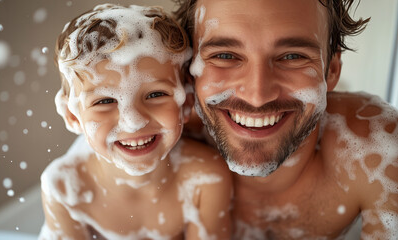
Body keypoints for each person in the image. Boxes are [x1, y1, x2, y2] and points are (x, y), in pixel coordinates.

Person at [173, 0, 398, 239]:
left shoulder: (378, 151)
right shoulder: (161, 143)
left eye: (292, 56)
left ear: (331, 70)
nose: (257, 96)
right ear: (189, 70)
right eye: (225, 55)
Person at [38, 4, 233, 240]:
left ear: (186, 103)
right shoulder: (64, 187)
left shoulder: (205, 177)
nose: (133, 122)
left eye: (155, 95)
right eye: (105, 101)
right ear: (72, 116)